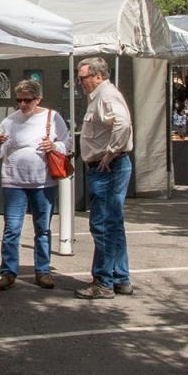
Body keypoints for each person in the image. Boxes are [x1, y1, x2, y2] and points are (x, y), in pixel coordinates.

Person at [0, 80, 71, 290]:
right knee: (12, 228)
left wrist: (55, 145)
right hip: (14, 181)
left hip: (43, 182)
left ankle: (43, 270)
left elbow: (68, 144)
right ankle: (8, 271)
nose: (22, 104)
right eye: (19, 100)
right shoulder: (10, 121)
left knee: (42, 229)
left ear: (38, 99)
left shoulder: (52, 117)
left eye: (27, 100)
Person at [74, 57, 134, 299]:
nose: (80, 82)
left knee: (103, 225)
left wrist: (111, 152)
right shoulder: (101, 95)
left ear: (97, 76)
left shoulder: (106, 95)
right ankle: (120, 278)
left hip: (107, 168)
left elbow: (123, 123)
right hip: (108, 166)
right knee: (112, 224)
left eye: (83, 77)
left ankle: (104, 281)